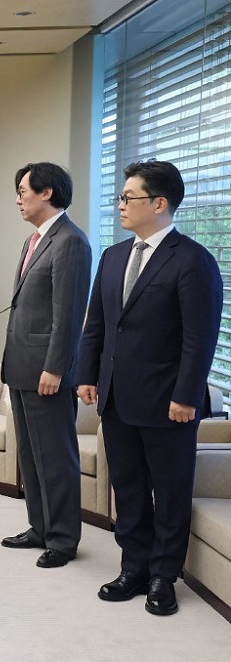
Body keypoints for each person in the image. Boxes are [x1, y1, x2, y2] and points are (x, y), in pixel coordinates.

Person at [78, 160, 221, 616]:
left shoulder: (192, 259)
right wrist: (87, 374)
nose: (120, 204)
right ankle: (133, 566)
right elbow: (96, 324)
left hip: (168, 402)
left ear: (159, 204)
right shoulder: (114, 255)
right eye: (120, 197)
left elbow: (200, 337)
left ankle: (164, 575)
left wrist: (186, 394)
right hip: (117, 397)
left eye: (129, 197)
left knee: (169, 489)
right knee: (130, 487)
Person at [0, 162, 92, 569]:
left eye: (24, 190)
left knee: (55, 457)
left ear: (47, 192)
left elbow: (69, 314)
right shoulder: (33, 241)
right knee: (30, 455)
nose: (18, 198)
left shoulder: (71, 241)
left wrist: (56, 368)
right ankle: (39, 527)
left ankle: (62, 538)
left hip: (47, 372)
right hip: (21, 366)